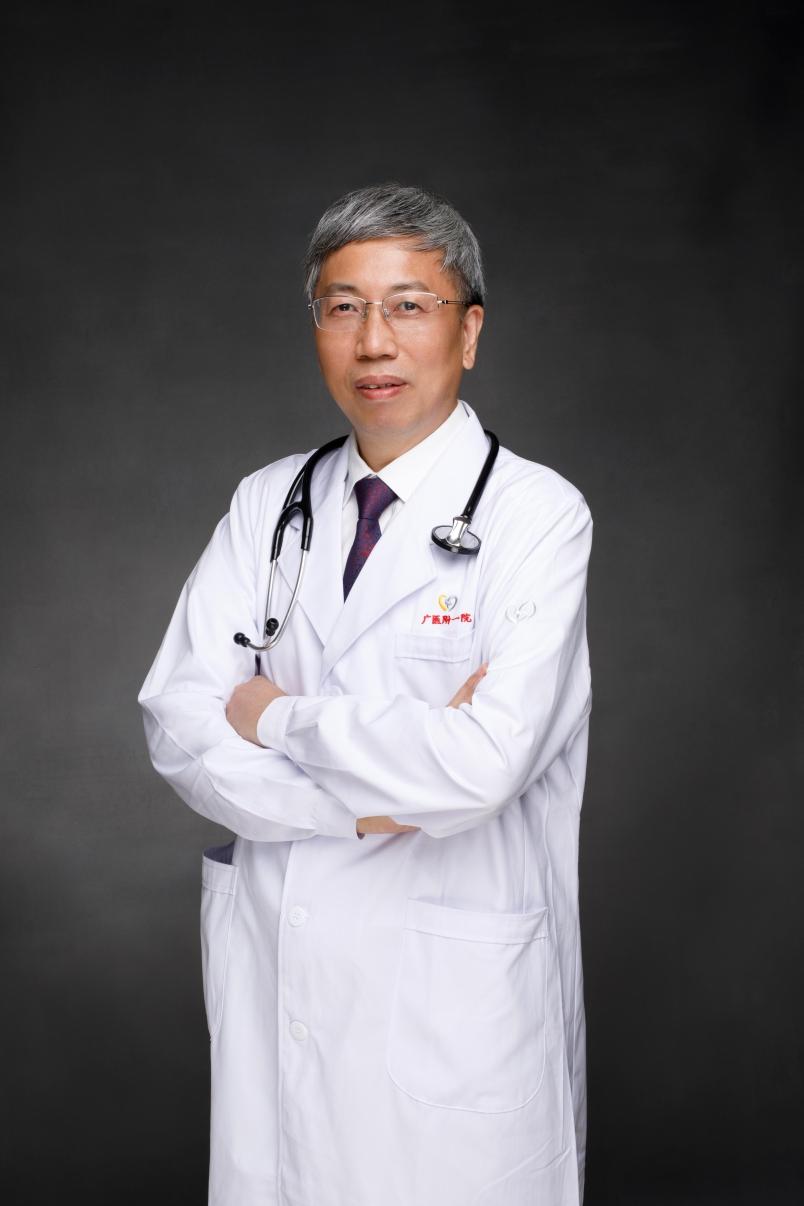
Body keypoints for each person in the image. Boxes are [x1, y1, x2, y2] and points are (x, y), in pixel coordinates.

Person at [138, 182, 593, 1206]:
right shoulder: (268, 502)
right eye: (344, 307)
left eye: (409, 305)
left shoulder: (537, 516)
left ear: (468, 330)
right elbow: (179, 723)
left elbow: (481, 767)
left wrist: (275, 716)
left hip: (450, 1006)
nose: (374, 340)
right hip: (282, 970)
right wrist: (364, 806)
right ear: (318, 329)